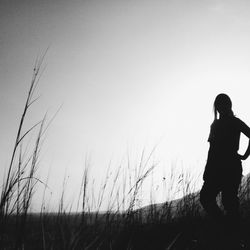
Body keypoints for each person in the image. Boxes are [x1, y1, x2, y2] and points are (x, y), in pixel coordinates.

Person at [200, 93, 250, 247]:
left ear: (229, 105)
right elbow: (212, 149)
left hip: (231, 167)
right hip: (215, 169)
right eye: (219, 104)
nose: (222, 107)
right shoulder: (214, 125)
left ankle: (234, 238)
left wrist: (245, 155)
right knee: (206, 197)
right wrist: (207, 172)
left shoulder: (235, 122)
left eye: (224, 103)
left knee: (229, 203)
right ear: (216, 107)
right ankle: (227, 228)